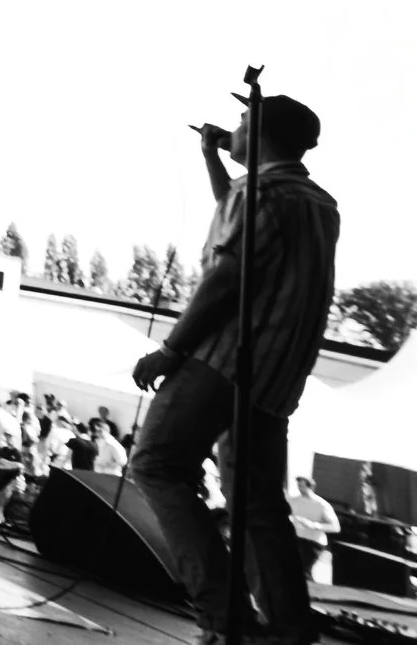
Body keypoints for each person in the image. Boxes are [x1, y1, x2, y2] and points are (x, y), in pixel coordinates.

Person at [129, 95, 339, 645]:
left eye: (244, 120)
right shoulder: (317, 203)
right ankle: (289, 630)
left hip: (223, 359)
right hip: (278, 375)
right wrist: (212, 157)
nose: (234, 127)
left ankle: (225, 620)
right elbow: (244, 225)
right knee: (257, 502)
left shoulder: (259, 192)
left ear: (261, 128)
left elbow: (227, 275)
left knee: (157, 465)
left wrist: (171, 350)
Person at [287, 476, 338, 582]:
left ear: (310, 487)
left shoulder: (322, 504)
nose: (299, 488)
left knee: (303, 570)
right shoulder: (293, 500)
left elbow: (335, 527)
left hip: (313, 542)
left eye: (302, 486)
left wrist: (313, 525)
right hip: (297, 538)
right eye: (298, 485)